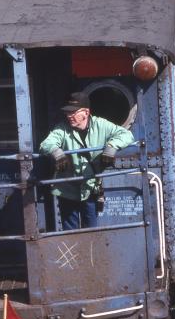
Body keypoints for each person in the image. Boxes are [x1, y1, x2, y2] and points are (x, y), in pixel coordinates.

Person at [38, 91, 135, 230]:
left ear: (86, 112)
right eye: (67, 113)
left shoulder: (101, 125)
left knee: (91, 230)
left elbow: (126, 134)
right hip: (67, 190)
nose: (69, 116)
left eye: (73, 112)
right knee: (70, 231)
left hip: (90, 189)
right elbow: (46, 144)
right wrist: (57, 152)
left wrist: (112, 146)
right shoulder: (62, 129)